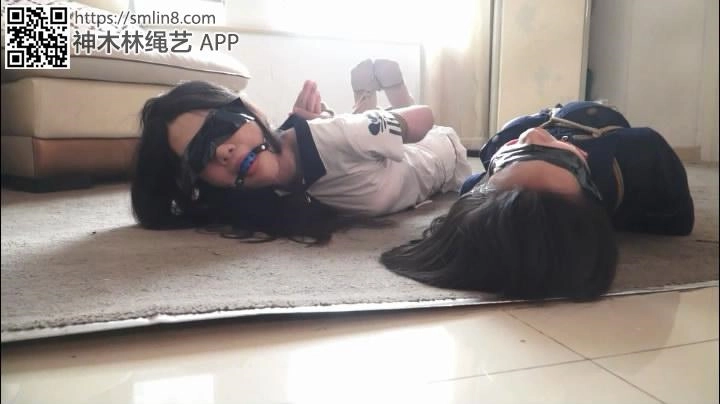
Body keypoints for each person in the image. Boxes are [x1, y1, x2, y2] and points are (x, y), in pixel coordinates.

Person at [130, 59, 472, 244]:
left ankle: (389, 95)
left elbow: (424, 118)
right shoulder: (250, 194)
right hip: (366, 161)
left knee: (378, 134)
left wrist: (385, 122)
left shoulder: (336, 137)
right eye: (199, 155)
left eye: (219, 127)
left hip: (438, 152)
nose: (222, 151)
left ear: (249, 110)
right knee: (361, 139)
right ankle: (364, 103)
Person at [380, 101, 695, 301]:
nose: (532, 136)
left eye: (510, 161)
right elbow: (678, 220)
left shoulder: (475, 189)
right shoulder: (640, 155)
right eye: (561, 160)